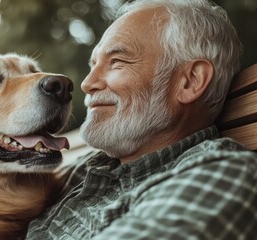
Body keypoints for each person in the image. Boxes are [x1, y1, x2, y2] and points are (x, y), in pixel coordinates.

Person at [26, 0, 257, 239]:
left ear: (190, 81)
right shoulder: (90, 169)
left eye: (117, 62)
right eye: (93, 65)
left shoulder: (219, 177)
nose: (86, 84)